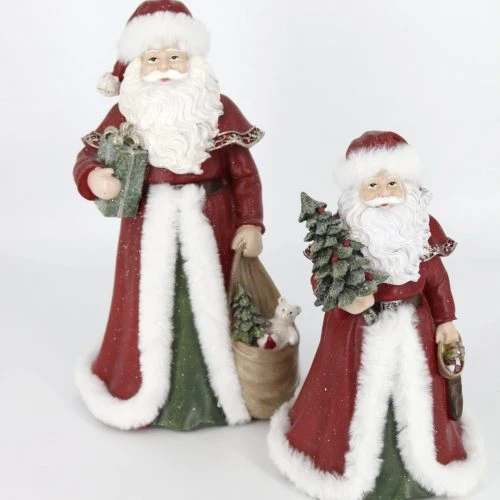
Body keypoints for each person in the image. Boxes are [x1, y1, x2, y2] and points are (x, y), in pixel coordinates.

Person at [74, 0, 264, 432]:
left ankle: (223, 391)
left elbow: (244, 173)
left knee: (217, 299)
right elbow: (88, 155)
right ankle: (138, 381)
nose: (164, 68)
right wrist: (94, 177)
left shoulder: (216, 109)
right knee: (147, 303)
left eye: (175, 57)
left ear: (193, 60)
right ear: (136, 64)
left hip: (212, 219)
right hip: (146, 221)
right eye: (153, 59)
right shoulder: (128, 110)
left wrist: (251, 222)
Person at [268, 131, 485, 500]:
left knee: (418, 389)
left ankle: (424, 461)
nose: (384, 193)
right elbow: (323, 275)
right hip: (355, 330)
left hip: (414, 324)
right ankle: (343, 462)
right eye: (373, 185)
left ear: (406, 185)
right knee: (351, 393)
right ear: (356, 189)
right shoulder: (343, 232)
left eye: (392, 183)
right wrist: (346, 298)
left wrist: (446, 320)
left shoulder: (420, 229)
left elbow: (436, 279)